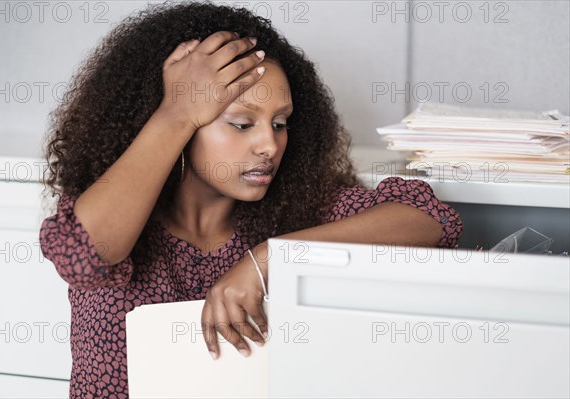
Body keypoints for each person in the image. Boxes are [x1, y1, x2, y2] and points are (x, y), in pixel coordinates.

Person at [39, 1, 463, 397]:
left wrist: (269, 259)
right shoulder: (119, 216)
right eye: (242, 124)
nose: (269, 145)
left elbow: (429, 220)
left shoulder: (294, 208)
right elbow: (83, 253)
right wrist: (178, 112)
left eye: (280, 123)